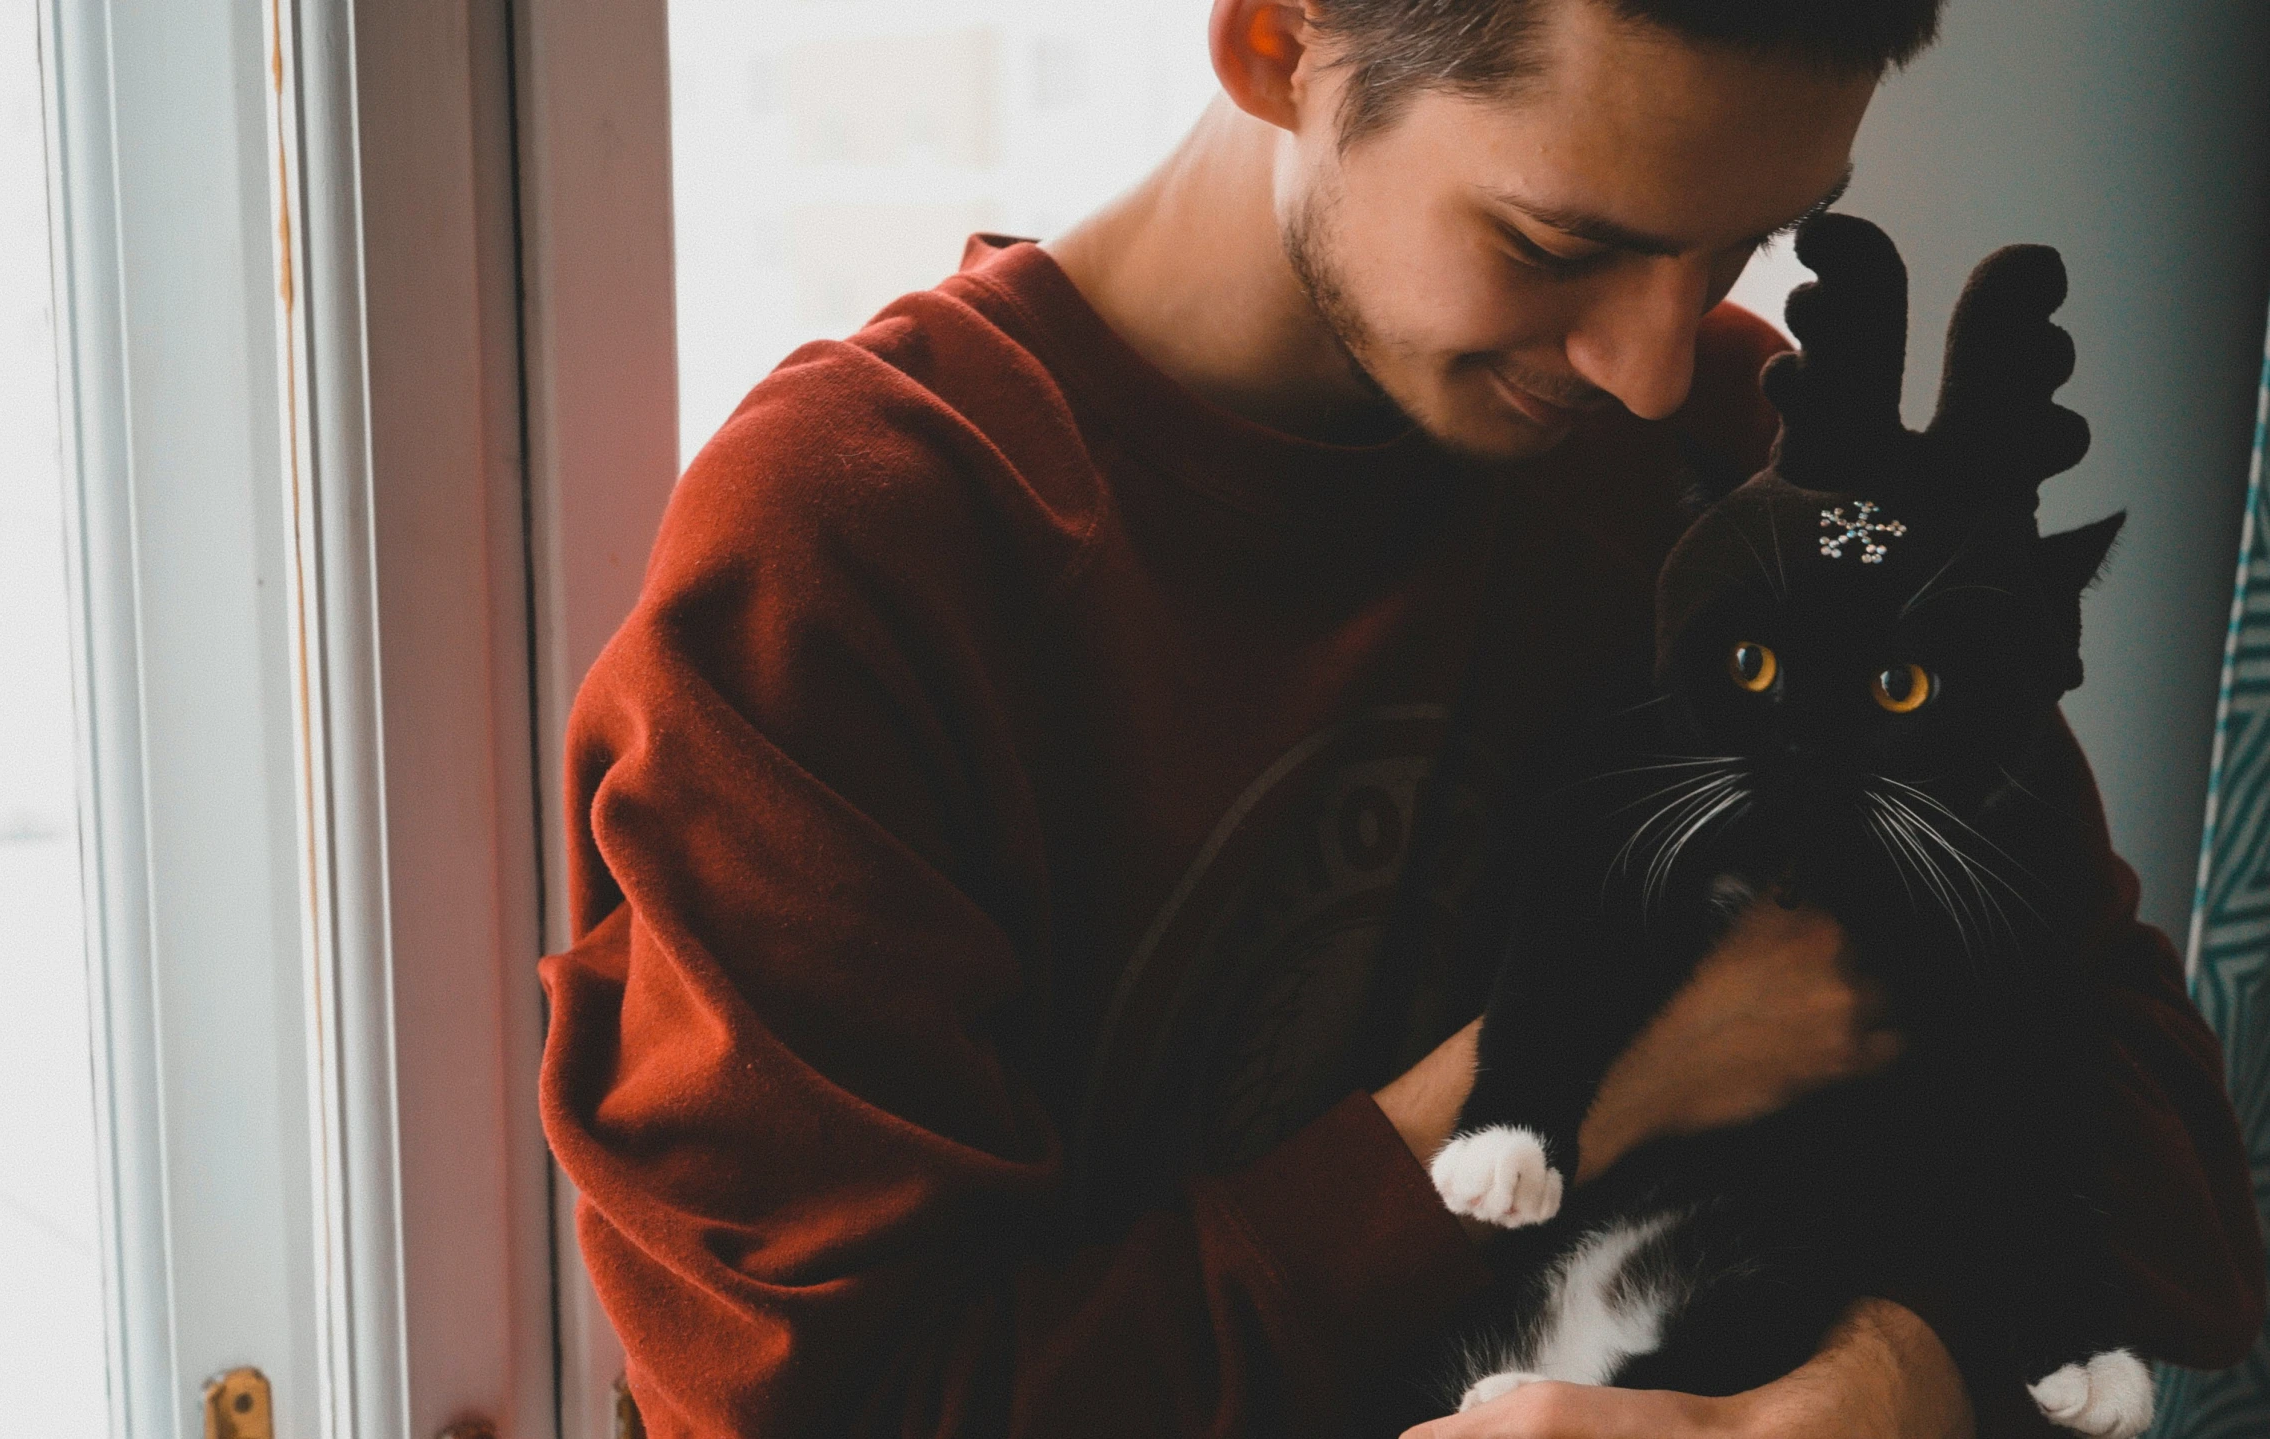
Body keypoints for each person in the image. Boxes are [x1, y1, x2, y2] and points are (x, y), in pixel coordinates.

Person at [538, 1, 2265, 1434]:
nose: (1656, 367)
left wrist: (1894, 1378)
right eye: (1557, 241)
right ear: (1278, 39)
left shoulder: (1750, 454)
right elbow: (844, 1407)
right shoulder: (848, 562)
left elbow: (2149, 1141)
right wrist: (1579, 1082)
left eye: (1745, 240)